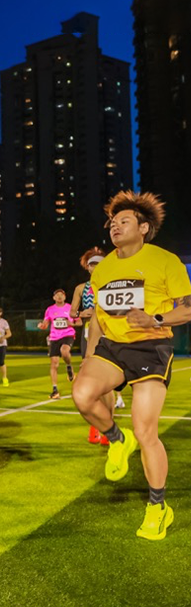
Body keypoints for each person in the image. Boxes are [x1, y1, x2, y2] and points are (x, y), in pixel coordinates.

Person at [72, 190, 191, 540]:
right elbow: (98, 317)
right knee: (82, 394)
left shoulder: (165, 261)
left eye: (124, 221)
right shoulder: (104, 269)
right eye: (112, 222)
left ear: (143, 228)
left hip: (150, 347)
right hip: (112, 347)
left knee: (146, 431)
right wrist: (90, 355)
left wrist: (155, 318)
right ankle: (116, 439)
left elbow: (187, 308)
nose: (115, 226)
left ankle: (158, 507)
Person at [70, 247, 117, 445]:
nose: (95, 266)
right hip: (89, 334)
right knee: (90, 378)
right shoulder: (81, 288)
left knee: (106, 384)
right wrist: (82, 314)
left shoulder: (113, 284)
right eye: (92, 264)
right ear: (87, 267)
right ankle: (96, 425)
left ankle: (108, 425)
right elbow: (72, 313)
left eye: (99, 263)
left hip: (110, 332)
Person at [37, 289, 77, 399]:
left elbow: (78, 322)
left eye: (61, 295)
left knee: (64, 351)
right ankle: (55, 390)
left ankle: (69, 366)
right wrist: (42, 326)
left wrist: (71, 324)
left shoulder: (70, 308)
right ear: (54, 298)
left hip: (68, 335)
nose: (59, 297)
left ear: (65, 297)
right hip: (54, 337)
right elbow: (45, 324)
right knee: (54, 364)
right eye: (57, 295)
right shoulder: (50, 309)